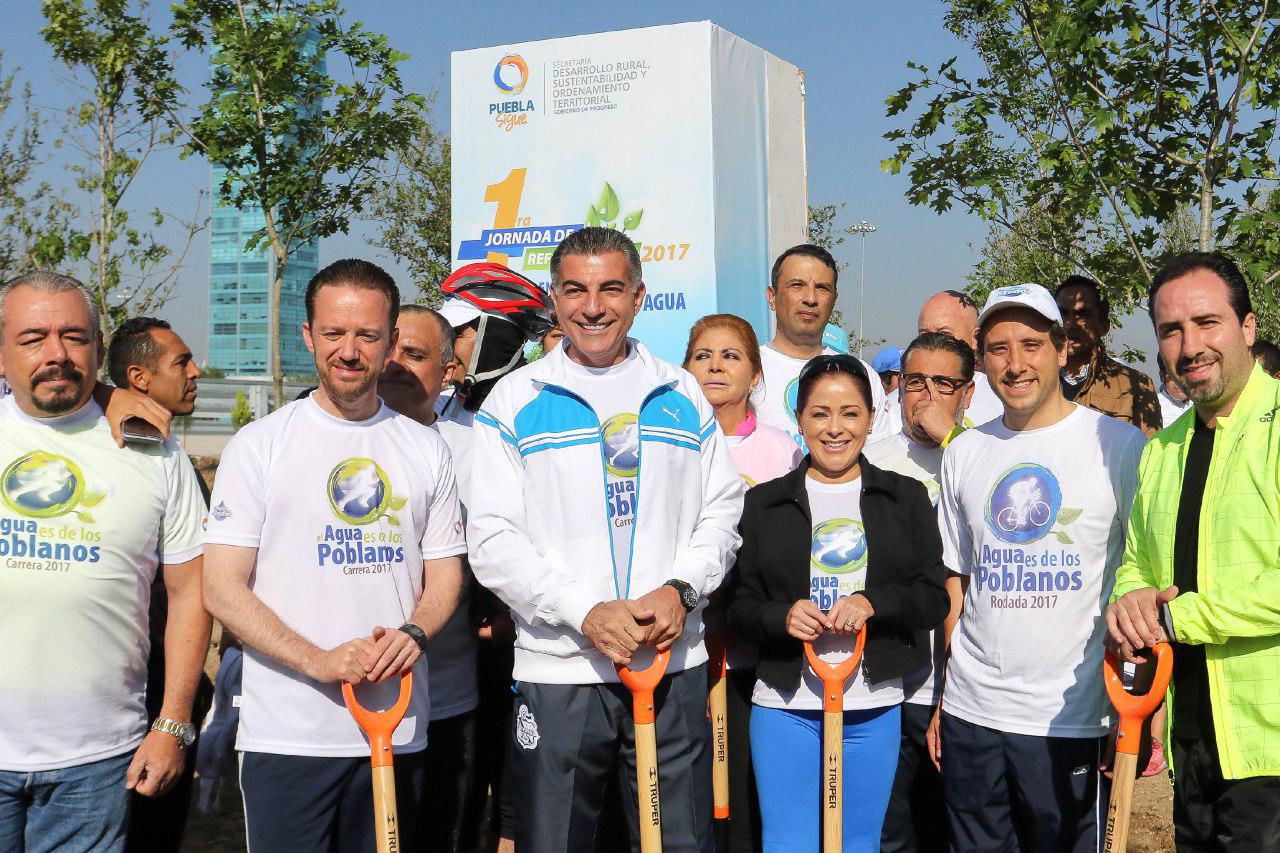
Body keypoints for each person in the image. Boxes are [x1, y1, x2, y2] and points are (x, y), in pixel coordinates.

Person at [467, 227, 743, 852]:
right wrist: (583, 612)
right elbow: (491, 538)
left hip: (671, 666)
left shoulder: (681, 393)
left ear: (639, 296)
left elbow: (722, 510)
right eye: (576, 290)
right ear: (554, 298)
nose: (593, 307)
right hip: (560, 672)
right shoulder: (514, 401)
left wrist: (681, 590)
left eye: (610, 289)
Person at [202, 259, 467, 853]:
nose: (349, 351)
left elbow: (445, 574)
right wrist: (318, 661)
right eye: (333, 334)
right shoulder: (259, 445)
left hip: (395, 730)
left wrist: (416, 633)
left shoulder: (426, 448)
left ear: (392, 342)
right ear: (308, 336)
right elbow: (221, 588)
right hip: (287, 735)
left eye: (367, 336)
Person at [0, 272, 210, 853]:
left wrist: (171, 724)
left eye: (74, 336)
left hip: (96, 763)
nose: (56, 354)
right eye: (32, 338)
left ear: (97, 345)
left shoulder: (155, 450)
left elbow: (192, 595)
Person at [932, 283, 1146, 852]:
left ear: (1061, 349)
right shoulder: (964, 452)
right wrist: (945, 694)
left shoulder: (1118, 445)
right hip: (971, 713)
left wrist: (1130, 708)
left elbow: (1141, 578)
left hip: (1070, 718)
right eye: (999, 348)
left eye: (1031, 344)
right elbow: (959, 581)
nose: (1015, 363)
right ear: (981, 359)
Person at [726, 354, 948, 851]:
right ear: (800, 418)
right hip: (786, 705)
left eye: (850, 413)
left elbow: (932, 597)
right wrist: (780, 617)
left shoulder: (905, 497)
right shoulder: (764, 504)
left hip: (873, 706)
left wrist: (874, 604)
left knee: (860, 842)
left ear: (871, 419)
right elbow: (740, 604)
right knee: (788, 843)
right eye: (820, 413)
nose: (834, 429)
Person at [1107, 252, 1280, 849]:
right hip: (1192, 743)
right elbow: (1137, 562)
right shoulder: (1165, 451)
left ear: (1248, 328)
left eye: (1208, 322)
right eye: (1171, 330)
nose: (1190, 345)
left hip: (1270, 750)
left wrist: (1178, 618)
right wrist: (1130, 601)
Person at [434, 263, 559, 853]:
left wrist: (515, 611)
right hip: (454, 647)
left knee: (520, 805)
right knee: (452, 798)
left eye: (457, 334)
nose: (444, 350)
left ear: (494, 336)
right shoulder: (439, 418)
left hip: (530, 642)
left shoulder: (544, 414)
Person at [683, 313, 801, 853]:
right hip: (682, 650)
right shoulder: (668, 441)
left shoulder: (781, 449)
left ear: (756, 375)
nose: (715, 364)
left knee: (749, 800)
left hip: (758, 656)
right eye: (703, 354)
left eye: (731, 355)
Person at [376, 303, 484, 853]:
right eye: (388, 347)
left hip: (446, 700)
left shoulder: (479, 448)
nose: (393, 363)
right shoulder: (320, 432)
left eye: (414, 355)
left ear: (450, 371)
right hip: (352, 702)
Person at [106, 316, 215, 853]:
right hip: (132, 684)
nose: (196, 372)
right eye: (181, 362)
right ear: (139, 378)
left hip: (167, 685)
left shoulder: (167, 457)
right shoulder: (119, 454)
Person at [866, 331, 974, 853]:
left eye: (944, 383)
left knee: (953, 832)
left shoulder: (987, 456)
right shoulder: (871, 460)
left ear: (968, 394)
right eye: (915, 382)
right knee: (892, 831)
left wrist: (956, 441)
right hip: (889, 683)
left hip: (966, 689)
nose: (926, 396)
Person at [756, 244, 885, 449]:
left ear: (834, 299)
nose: (810, 299)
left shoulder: (861, 374)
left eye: (822, 288)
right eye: (797, 285)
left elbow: (881, 453)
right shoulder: (749, 370)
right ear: (772, 296)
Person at [1054, 275, 1162, 435]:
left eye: (1082, 314)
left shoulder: (1136, 386)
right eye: (1062, 314)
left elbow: (1151, 452)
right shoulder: (1032, 380)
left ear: (1104, 326)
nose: (1070, 323)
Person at [917, 289, 1004, 428]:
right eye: (924, 334)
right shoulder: (901, 401)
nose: (932, 343)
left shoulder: (1002, 397)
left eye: (945, 334)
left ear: (975, 338)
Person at [1156, 352, 1192, 429]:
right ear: (1162, 376)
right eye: (1172, 377)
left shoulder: (1202, 406)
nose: (1180, 383)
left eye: (1186, 376)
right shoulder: (1154, 408)